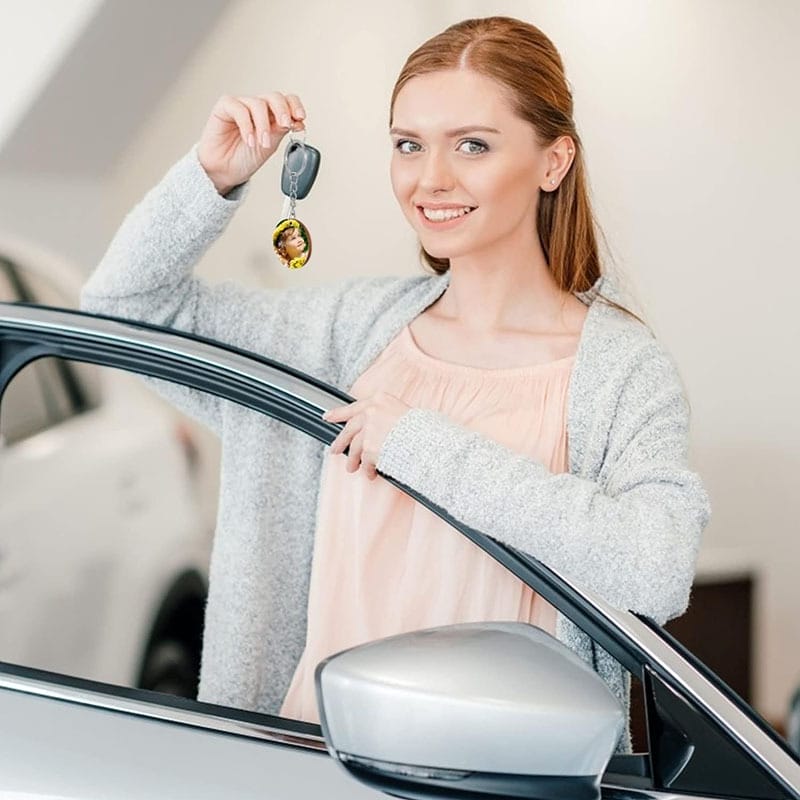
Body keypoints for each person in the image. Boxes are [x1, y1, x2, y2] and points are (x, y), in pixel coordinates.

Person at [80, 16, 710, 750]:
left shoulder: (622, 371)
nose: (429, 179)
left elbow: (656, 568)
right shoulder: (345, 333)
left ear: (553, 161)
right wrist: (210, 177)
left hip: (503, 777)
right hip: (306, 767)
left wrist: (419, 445)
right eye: (408, 144)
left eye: (472, 144)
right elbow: (123, 308)